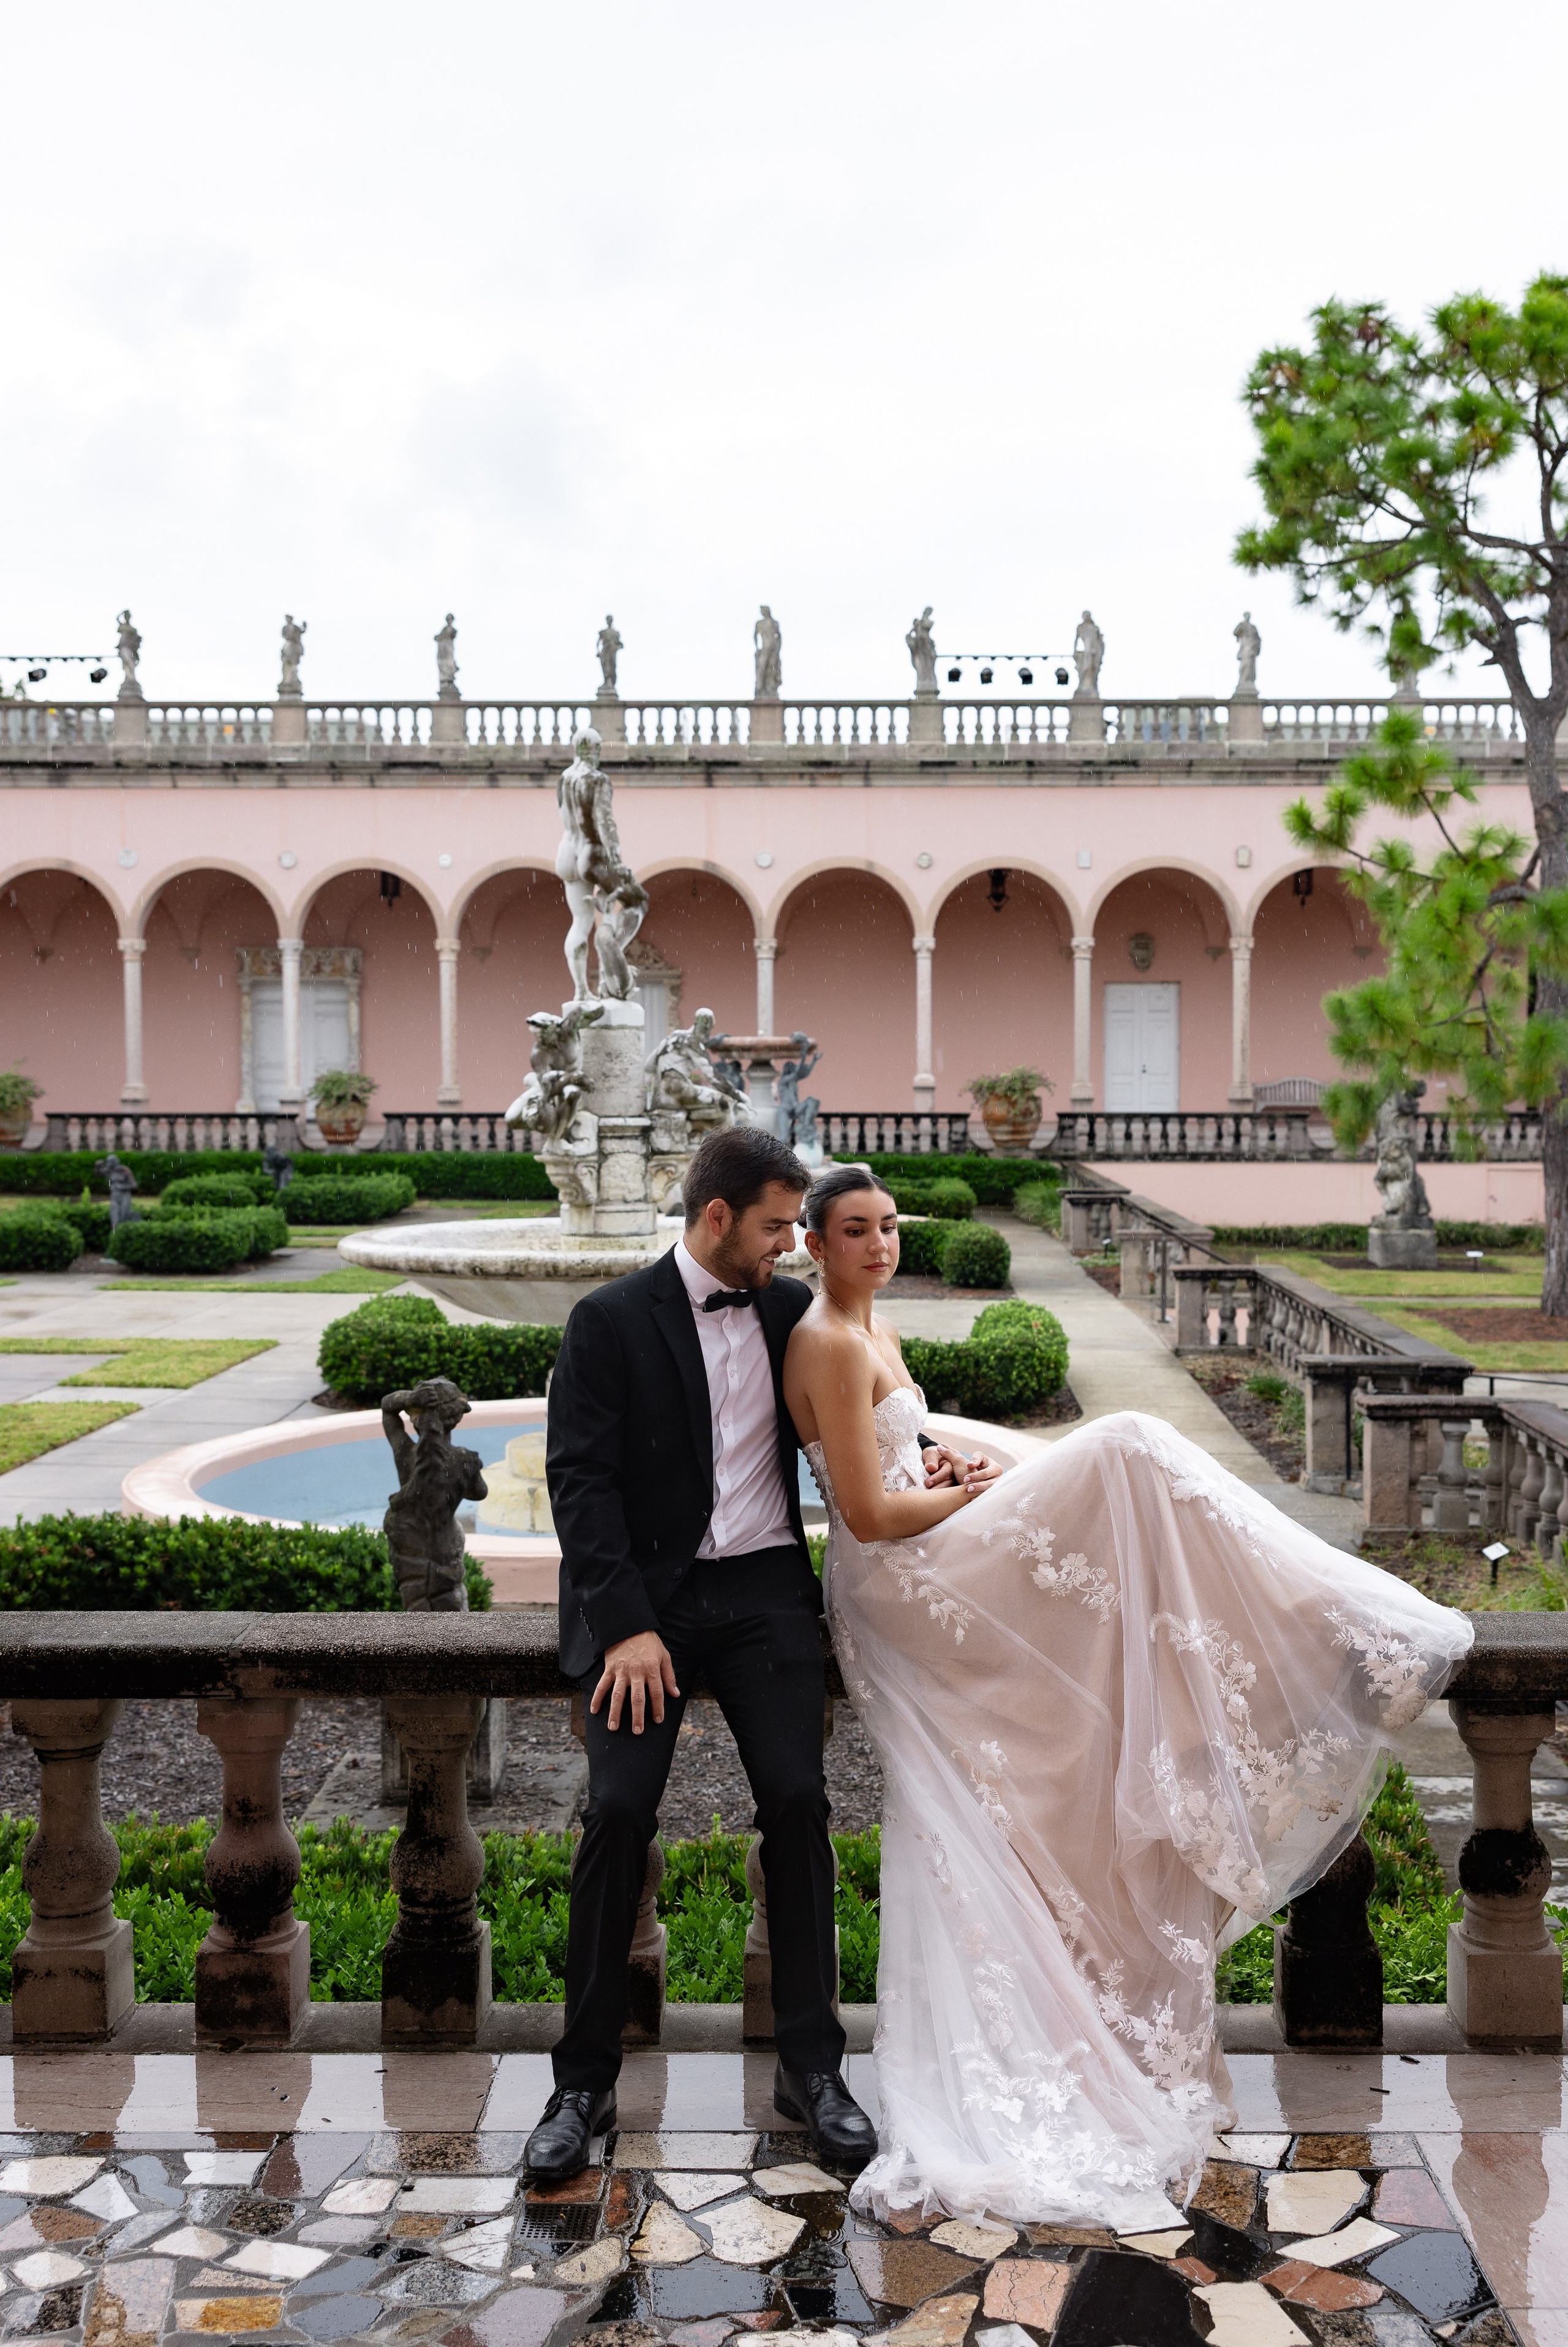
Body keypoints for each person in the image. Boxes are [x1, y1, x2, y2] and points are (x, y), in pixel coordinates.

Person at [783, 1166, 1472, 2228]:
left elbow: (903, 1445)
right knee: (1129, 1448)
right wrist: (962, 1490)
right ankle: (1330, 1617)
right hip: (896, 1585)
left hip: (923, 1542)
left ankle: (1300, 1626)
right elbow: (867, 1517)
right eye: (855, 1232)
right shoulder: (826, 1338)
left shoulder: (873, 1324)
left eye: (887, 1228)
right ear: (815, 1246)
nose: (879, 1246)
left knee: (1123, 1504)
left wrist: (953, 1458)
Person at [534, 1128, 935, 2182]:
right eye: (773, 1228)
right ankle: (580, 2084)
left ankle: (815, 2069)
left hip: (761, 1591)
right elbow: (578, 1483)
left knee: (801, 1804)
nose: (789, 1246)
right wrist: (623, 1625)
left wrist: (940, 1461)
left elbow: (861, 1417)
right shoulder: (608, 1322)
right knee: (617, 1812)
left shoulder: (793, 1314)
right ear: (716, 1219)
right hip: (647, 1608)